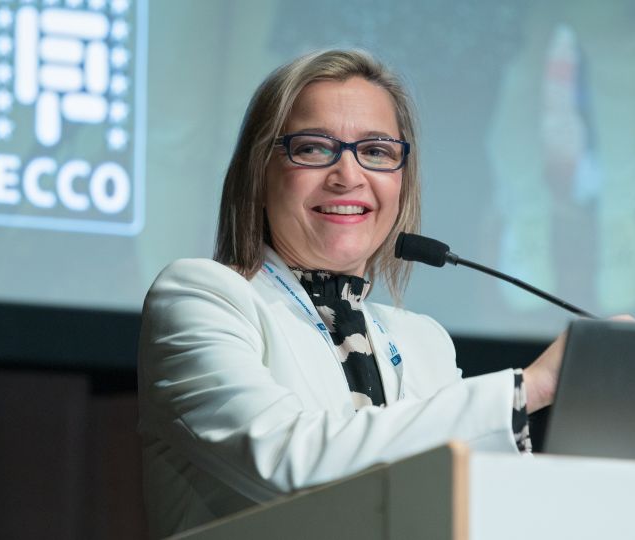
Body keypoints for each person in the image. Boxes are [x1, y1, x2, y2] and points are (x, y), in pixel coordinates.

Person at [136, 49, 567, 537]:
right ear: (259, 171)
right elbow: (288, 462)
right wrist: (530, 388)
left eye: (377, 151)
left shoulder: (425, 342)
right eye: (315, 148)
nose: (348, 175)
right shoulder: (201, 298)